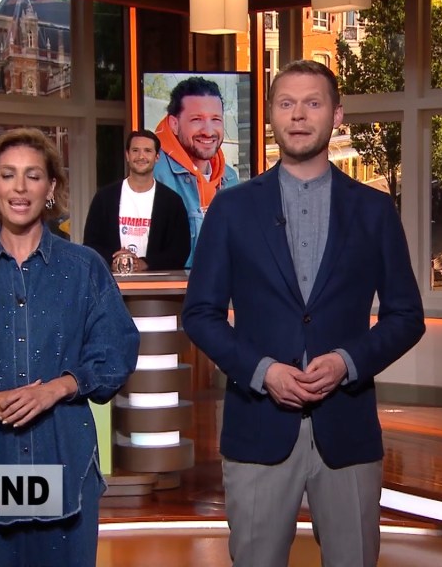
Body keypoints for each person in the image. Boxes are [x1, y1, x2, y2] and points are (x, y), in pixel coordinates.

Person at [182, 60, 425, 567]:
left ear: (337, 115)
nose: (298, 115)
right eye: (287, 103)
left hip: (348, 430)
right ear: (271, 114)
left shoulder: (375, 210)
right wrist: (262, 371)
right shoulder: (231, 210)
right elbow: (200, 314)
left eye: (313, 103)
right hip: (258, 428)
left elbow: (406, 316)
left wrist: (346, 362)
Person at [0, 128, 139, 566]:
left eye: (33, 176)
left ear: (50, 189)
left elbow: (115, 351)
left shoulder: (85, 268)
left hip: (65, 463)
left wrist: (57, 388)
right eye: (8, 175)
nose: (20, 187)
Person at [153, 76, 240, 266]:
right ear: (174, 124)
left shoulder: (230, 177)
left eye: (215, 119)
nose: (208, 131)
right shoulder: (155, 175)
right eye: (196, 119)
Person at [83, 130, 191, 271]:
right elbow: (90, 244)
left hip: (157, 283)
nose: (141, 156)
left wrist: (145, 264)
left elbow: (180, 250)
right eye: (135, 150)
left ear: (157, 157)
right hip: (110, 281)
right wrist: (112, 260)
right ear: (127, 155)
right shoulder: (104, 197)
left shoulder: (172, 202)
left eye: (147, 151)